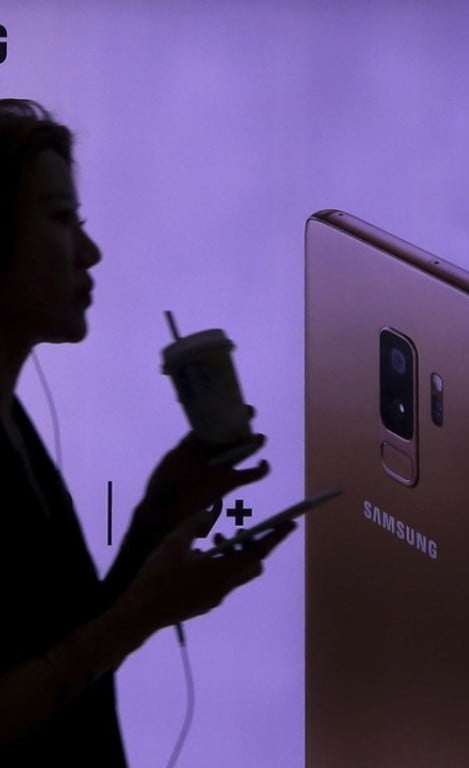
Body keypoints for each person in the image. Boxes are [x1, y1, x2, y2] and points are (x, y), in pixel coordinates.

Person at [0, 98, 295, 765]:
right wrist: (144, 613)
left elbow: (56, 641)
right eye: (60, 219)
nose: (91, 251)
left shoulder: (11, 420)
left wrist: (152, 524)